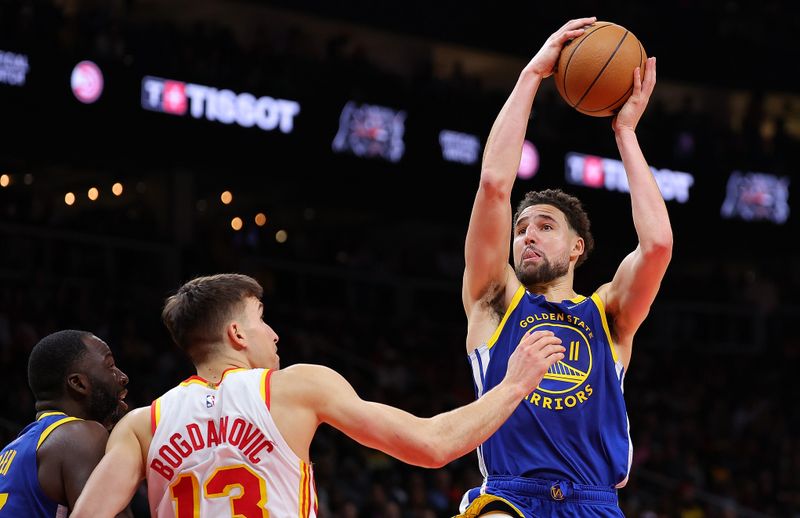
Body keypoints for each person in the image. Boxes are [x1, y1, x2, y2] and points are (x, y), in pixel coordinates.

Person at [72, 273, 566, 517]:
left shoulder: (142, 424)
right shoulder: (296, 387)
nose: (275, 334)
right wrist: (515, 384)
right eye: (262, 318)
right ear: (238, 335)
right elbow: (433, 444)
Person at [458, 17, 672, 518]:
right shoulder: (494, 298)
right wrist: (532, 74)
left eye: (545, 226)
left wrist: (625, 134)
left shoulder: (610, 314)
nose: (526, 233)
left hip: (595, 501)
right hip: (510, 496)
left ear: (578, 248)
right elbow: (493, 184)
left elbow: (658, 243)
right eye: (521, 228)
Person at [0, 330, 130, 517]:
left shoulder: (10, 451)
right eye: (110, 366)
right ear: (78, 383)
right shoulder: (79, 436)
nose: (123, 376)